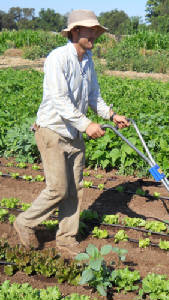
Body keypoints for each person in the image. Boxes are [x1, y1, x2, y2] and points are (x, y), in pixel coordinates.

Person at [13, 9, 130, 256]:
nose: (95, 36)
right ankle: (25, 222)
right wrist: (86, 124)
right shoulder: (58, 58)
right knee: (57, 188)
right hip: (52, 131)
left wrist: (110, 114)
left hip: (74, 134)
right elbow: (59, 99)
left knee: (75, 189)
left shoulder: (87, 61)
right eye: (91, 31)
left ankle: (66, 239)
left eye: (96, 31)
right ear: (75, 31)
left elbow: (93, 96)